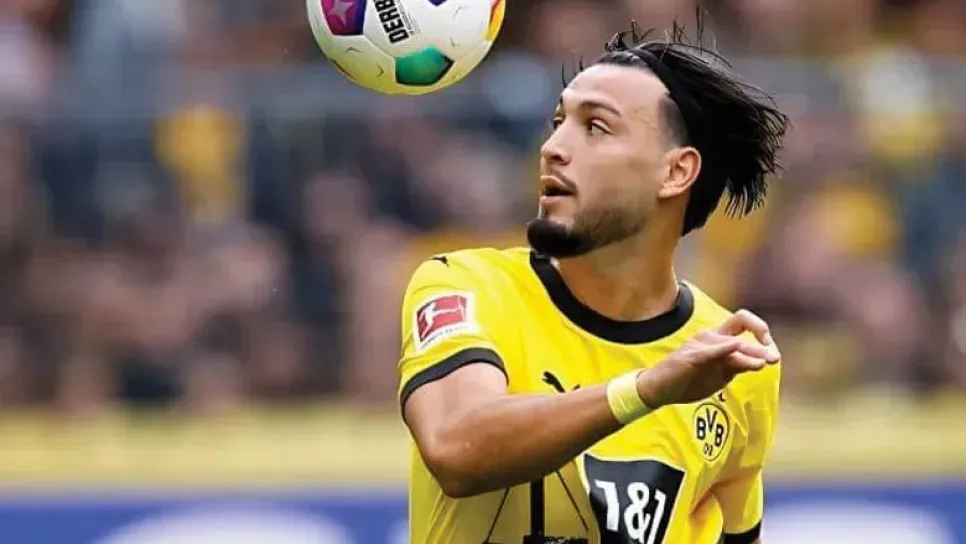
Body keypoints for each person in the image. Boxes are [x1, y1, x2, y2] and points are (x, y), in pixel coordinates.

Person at [397, 20, 790, 544]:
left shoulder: (731, 363)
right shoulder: (466, 285)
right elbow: (455, 447)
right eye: (558, 122)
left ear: (676, 172)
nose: (552, 147)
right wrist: (647, 390)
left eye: (596, 128)